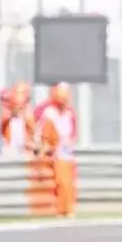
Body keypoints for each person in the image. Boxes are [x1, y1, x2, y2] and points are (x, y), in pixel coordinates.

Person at [37, 83, 79, 217]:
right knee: (61, 182)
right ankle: (61, 209)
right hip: (56, 153)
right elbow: (44, 135)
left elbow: (73, 132)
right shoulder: (50, 114)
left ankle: (69, 208)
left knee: (69, 183)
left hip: (67, 152)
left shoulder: (69, 113)